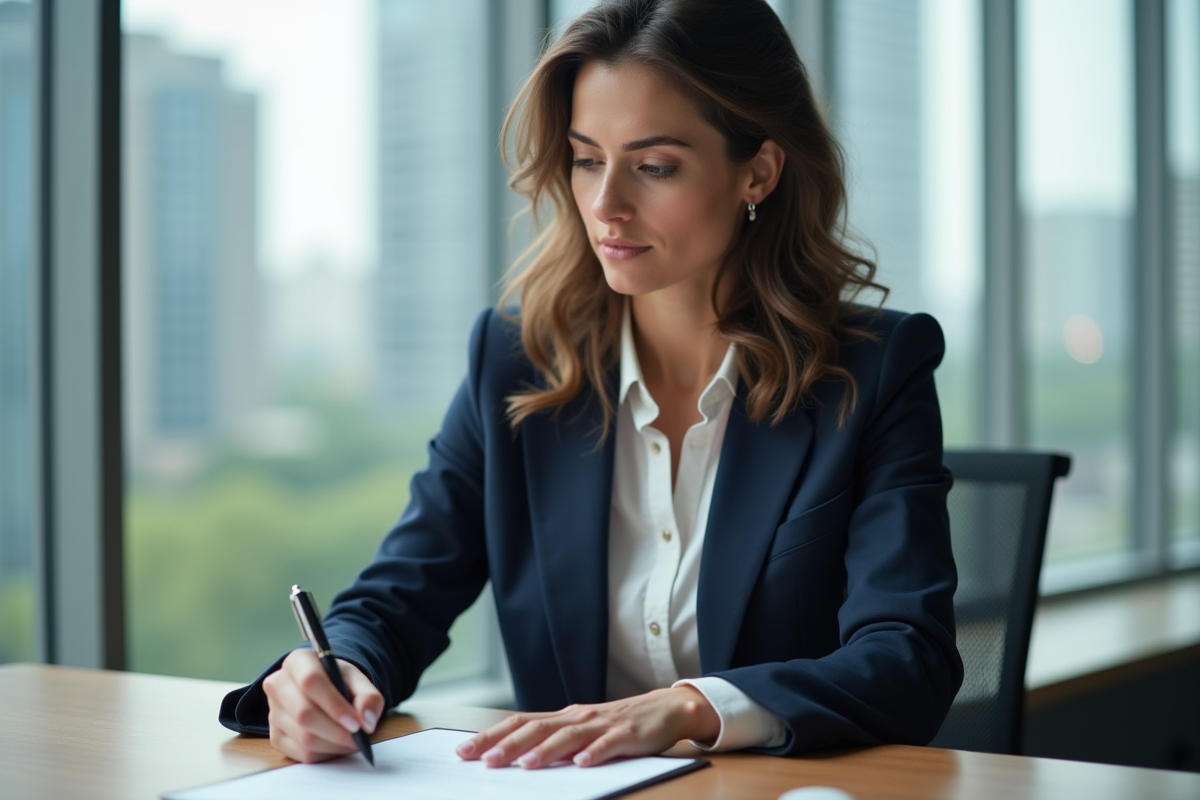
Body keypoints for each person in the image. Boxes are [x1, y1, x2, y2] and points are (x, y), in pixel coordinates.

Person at [219, 0, 963, 768]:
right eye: (584, 157)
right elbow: (398, 596)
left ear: (759, 172)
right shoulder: (516, 360)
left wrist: (689, 708)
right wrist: (333, 671)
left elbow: (908, 658)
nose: (605, 205)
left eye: (655, 165)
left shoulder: (873, 370)